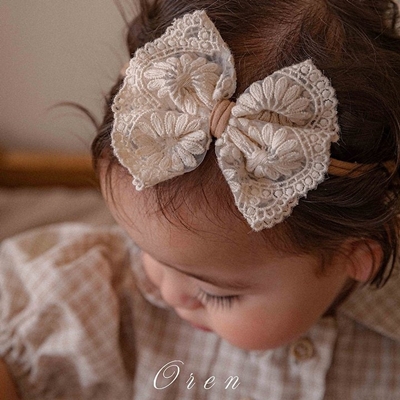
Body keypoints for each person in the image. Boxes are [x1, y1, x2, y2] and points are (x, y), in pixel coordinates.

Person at [1, 0, 400, 398]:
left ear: (357, 253)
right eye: (145, 249)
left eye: (216, 293)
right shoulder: (93, 299)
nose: (166, 291)